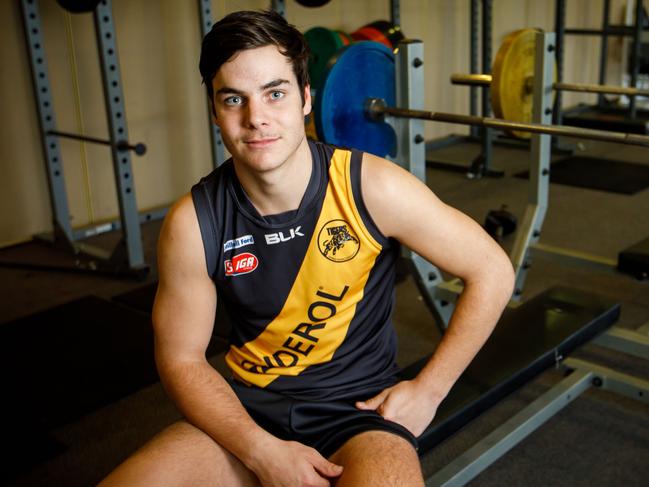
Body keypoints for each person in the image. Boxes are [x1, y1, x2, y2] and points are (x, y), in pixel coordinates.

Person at [99, 9, 514, 487]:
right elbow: (181, 359)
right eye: (235, 99)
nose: (256, 119)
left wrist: (429, 390)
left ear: (305, 99)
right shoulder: (193, 223)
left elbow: (491, 270)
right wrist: (261, 451)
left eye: (275, 93)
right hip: (245, 412)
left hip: (358, 413)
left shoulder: (372, 188)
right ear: (215, 110)